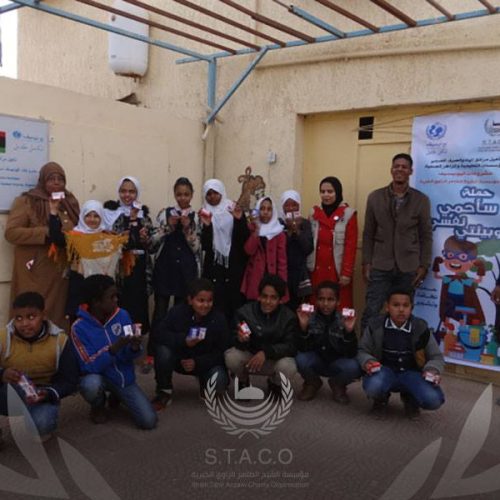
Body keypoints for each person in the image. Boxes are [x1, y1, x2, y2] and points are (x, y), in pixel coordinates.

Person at [70, 275, 157, 429]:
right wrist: (113, 349)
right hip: (98, 377)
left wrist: (134, 347)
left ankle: (117, 395)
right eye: (111, 297)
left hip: (122, 378)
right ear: (96, 302)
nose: (116, 300)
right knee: (90, 385)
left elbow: (129, 355)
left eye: (116, 295)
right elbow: (88, 366)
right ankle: (98, 404)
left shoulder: (122, 315)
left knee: (149, 421)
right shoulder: (78, 327)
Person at [361, 153, 432, 330]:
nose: (400, 169)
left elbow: (426, 235)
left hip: (408, 267)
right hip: (380, 265)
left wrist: (424, 265)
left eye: (404, 167)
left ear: (410, 171)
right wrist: (366, 262)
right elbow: (368, 233)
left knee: (402, 314)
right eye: (396, 166)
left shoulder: (421, 200)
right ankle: (366, 347)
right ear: (391, 170)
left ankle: (400, 346)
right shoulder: (375, 197)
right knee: (372, 311)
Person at [5, 162, 80, 329]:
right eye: (51, 179)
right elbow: (11, 233)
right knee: (33, 312)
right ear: (42, 181)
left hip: (60, 272)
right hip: (35, 272)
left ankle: (56, 345)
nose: (56, 182)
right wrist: (45, 233)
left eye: (60, 179)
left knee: (57, 315)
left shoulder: (69, 202)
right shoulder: (27, 201)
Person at [0, 292, 78, 440]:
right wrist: (2, 373)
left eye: (31, 317)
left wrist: (49, 393)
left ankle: (35, 421)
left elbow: (70, 381)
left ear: (43, 315)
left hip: (42, 393)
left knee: (42, 424)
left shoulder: (60, 341)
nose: (24, 324)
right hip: (8, 392)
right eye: (18, 318)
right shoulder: (3, 338)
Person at [357, 288, 445, 419]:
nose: (401, 309)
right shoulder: (375, 325)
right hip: (383, 372)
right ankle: (381, 399)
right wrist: (368, 362)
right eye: (396, 305)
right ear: (387, 307)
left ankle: (410, 397)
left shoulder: (421, 328)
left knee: (433, 399)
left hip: (411, 374)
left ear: (411, 308)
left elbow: (436, 357)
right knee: (374, 385)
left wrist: (432, 370)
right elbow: (362, 350)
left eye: (405, 305)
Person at [152, 278, 229, 410]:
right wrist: (184, 341)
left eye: (209, 301)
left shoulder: (219, 319)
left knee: (220, 379)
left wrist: (198, 362)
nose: (205, 305)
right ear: (190, 300)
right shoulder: (176, 313)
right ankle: (164, 391)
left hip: (204, 362)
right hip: (179, 359)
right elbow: (159, 334)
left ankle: (205, 385)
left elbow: (222, 351)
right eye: (201, 300)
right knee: (162, 351)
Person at [50, 200, 128, 323]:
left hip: (104, 294)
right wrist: (53, 212)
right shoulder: (74, 237)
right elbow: (56, 238)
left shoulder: (109, 238)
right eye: (88, 216)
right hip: (81, 291)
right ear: (82, 217)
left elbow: (128, 245)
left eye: (96, 216)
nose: (92, 219)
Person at [226, 275, 298, 396]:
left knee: (289, 367)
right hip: (251, 357)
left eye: (273, 298)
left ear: (280, 300)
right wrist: (240, 340)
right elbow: (231, 338)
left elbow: (291, 346)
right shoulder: (244, 312)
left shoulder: (289, 317)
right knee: (231, 357)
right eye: (264, 296)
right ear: (259, 296)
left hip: (274, 359)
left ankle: (274, 383)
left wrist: (266, 352)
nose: (268, 302)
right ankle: (243, 381)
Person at [295, 281, 362, 403]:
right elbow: (302, 348)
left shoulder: (344, 320)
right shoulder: (309, 317)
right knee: (300, 359)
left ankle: (337, 384)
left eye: (330, 300)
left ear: (338, 302)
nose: (325, 304)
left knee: (354, 367)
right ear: (316, 301)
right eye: (321, 299)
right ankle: (312, 383)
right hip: (316, 361)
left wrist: (349, 332)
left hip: (336, 363)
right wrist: (303, 328)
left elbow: (351, 353)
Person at [103, 176, 153, 337]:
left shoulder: (144, 215)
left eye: (131, 191)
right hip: (120, 270)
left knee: (138, 307)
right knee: (120, 304)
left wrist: (145, 239)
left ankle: (136, 344)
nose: (127, 195)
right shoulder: (111, 214)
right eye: (123, 191)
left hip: (140, 269)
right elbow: (109, 241)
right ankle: (120, 341)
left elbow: (151, 245)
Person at [150, 177, 200, 332]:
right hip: (165, 268)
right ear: (174, 194)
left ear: (192, 195)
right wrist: (168, 227)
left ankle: (179, 343)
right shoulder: (165, 214)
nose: (182, 198)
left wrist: (187, 229)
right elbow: (153, 242)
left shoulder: (196, 217)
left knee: (182, 311)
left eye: (186, 194)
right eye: (179, 194)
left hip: (186, 270)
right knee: (160, 311)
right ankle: (156, 344)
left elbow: (197, 247)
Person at [200, 179, 249, 321]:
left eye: (215, 193)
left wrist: (239, 220)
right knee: (216, 305)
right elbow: (205, 246)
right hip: (214, 267)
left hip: (234, 265)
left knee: (234, 304)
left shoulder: (232, 208)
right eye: (209, 194)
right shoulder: (204, 213)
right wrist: (207, 227)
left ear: (221, 192)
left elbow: (243, 238)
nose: (212, 197)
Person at [308, 177, 357, 310]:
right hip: (317, 270)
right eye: (322, 192)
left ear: (338, 192)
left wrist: (346, 273)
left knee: (339, 306)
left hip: (337, 271)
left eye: (330, 191)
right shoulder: (313, 213)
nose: (326, 195)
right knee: (317, 304)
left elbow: (350, 246)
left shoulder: (348, 214)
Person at [241, 197, 288, 302]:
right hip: (255, 277)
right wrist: (257, 230)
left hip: (272, 276)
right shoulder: (251, 228)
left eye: (269, 209)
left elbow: (282, 262)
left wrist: (282, 284)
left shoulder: (278, 232)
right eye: (262, 209)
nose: (265, 212)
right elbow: (248, 251)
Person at [279, 190, 314, 310]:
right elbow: (280, 249)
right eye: (287, 205)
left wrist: (297, 231)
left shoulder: (305, 224)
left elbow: (308, 248)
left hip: (300, 274)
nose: (291, 209)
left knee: (300, 307)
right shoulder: (278, 224)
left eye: (294, 205)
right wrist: (289, 231)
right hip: (283, 273)